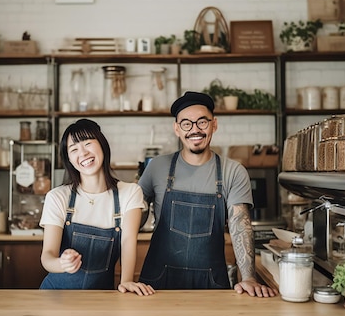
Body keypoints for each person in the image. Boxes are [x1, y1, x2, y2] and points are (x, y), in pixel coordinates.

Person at [137, 91, 277, 297]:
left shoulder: (233, 171)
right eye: (186, 124)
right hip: (157, 285)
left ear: (214, 124)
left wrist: (248, 277)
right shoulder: (157, 167)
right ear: (177, 129)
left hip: (211, 284)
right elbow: (134, 219)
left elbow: (241, 226)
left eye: (202, 122)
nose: (195, 130)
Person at [40, 118, 155, 296]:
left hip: (102, 299)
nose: (83, 153)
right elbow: (47, 256)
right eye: (74, 149)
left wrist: (126, 282)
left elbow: (128, 242)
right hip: (56, 297)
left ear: (102, 145)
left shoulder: (130, 193)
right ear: (69, 159)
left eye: (88, 143)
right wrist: (62, 263)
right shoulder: (58, 197)